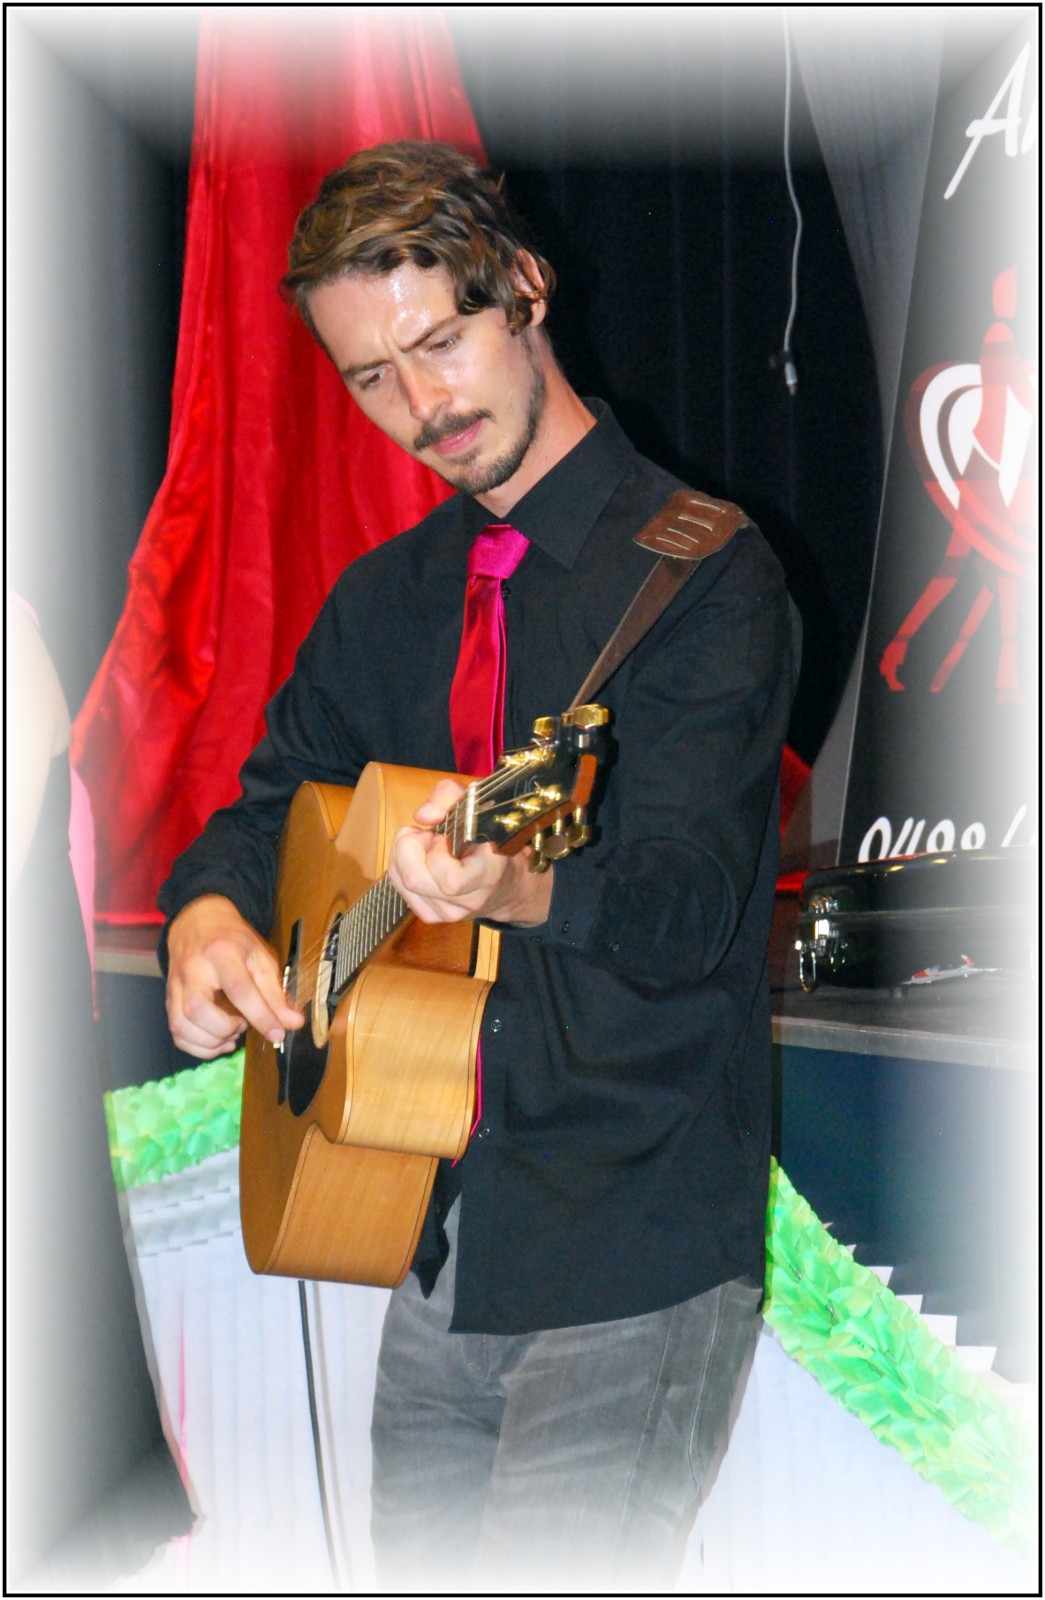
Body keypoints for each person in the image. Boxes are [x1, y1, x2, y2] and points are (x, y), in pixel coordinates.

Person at [160, 141, 799, 1594]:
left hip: (630, 1246)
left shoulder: (704, 574)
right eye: (371, 378)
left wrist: (523, 887)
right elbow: (266, 809)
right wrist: (205, 917)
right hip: (435, 1238)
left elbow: (689, 911)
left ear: (522, 287)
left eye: (440, 343)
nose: (422, 407)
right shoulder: (385, 601)